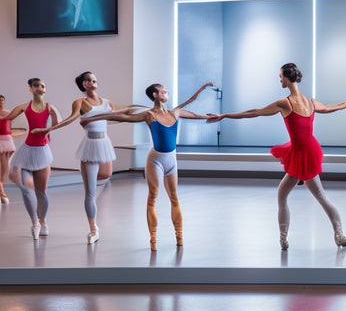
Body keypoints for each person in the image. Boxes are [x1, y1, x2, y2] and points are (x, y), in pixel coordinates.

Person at [208, 63, 346, 250]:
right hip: (308, 149)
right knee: (320, 195)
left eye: (280, 76)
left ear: (288, 78)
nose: (280, 79)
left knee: (284, 195)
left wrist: (225, 115)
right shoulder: (310, 102)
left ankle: (284, 238)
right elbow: (332, 107)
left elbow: (254, 112)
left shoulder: (285, 103)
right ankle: (338, 233)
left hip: (301, 154)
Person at [80, 82, 213, 251]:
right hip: (155, 160)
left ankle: (179, 236)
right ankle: (153, 240)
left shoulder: (175, 113)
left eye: (166, 92)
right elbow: (122, 117)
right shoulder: (149, 115)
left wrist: (210, 113)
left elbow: (193, 108)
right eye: (163, 92)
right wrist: (92, 118)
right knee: (153, 198)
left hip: (171, 160)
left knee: (174, 197)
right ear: (155, 95)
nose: (166, 94)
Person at [32, 71, 132, 244]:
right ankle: (93, 228)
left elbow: (125, 113)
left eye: (95, 80)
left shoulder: (107, 103)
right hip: (90, 146)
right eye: (90, 81)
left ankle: (96, 194)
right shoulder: (80, 102)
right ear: (84, 84)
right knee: (90, 193)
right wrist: (47, 129)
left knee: (106, 175)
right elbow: (70, 119)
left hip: (104, 144)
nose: (94, 83)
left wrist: (149, 112)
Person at [5, 78, 59, 239]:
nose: (40, 88)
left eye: (42, 86)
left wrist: (47, 131)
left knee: (41, 192)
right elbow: (6, 119)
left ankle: (43, 222)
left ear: (45, 89)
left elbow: (57, 124)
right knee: (27, 189)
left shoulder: (50, 107)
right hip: (26, 152)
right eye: (36, 86)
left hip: (42, 152)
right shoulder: (23, 107)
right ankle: (34, 222)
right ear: (30, 88)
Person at [0, 95, 18, 204]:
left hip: (7, 139)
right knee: (2, 163)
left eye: (2, 100)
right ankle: (2, 191)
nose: (0, 102)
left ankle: (1, 186)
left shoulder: (9, 113)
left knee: (5, 164)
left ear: (4, 102)